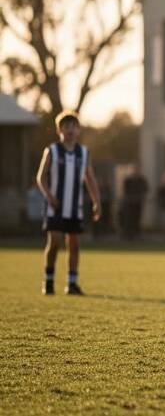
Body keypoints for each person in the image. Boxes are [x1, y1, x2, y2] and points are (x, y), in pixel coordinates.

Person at [36, 111, 101, 295]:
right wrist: (49, 196)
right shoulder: (52, 151)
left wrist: (97, 202)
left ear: (78, 130)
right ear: (59, 130)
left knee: (74, 244)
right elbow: (41, 177)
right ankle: (48, 281)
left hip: (74, 207)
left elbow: (90, 179)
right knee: (55, 242)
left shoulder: (84, 153)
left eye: (73, 126)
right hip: (55, 206)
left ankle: (72, 283)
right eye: (66, 126)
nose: (70, 130)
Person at [120, 168, 148, 240]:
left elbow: (146, 188)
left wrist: (140, 195)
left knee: (137, 219)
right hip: (129, 203)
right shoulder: (128, 180)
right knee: (129, 219)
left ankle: (137, 235)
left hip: (138, 203)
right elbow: (125, 189)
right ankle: (128, 235)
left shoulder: (141, 180)